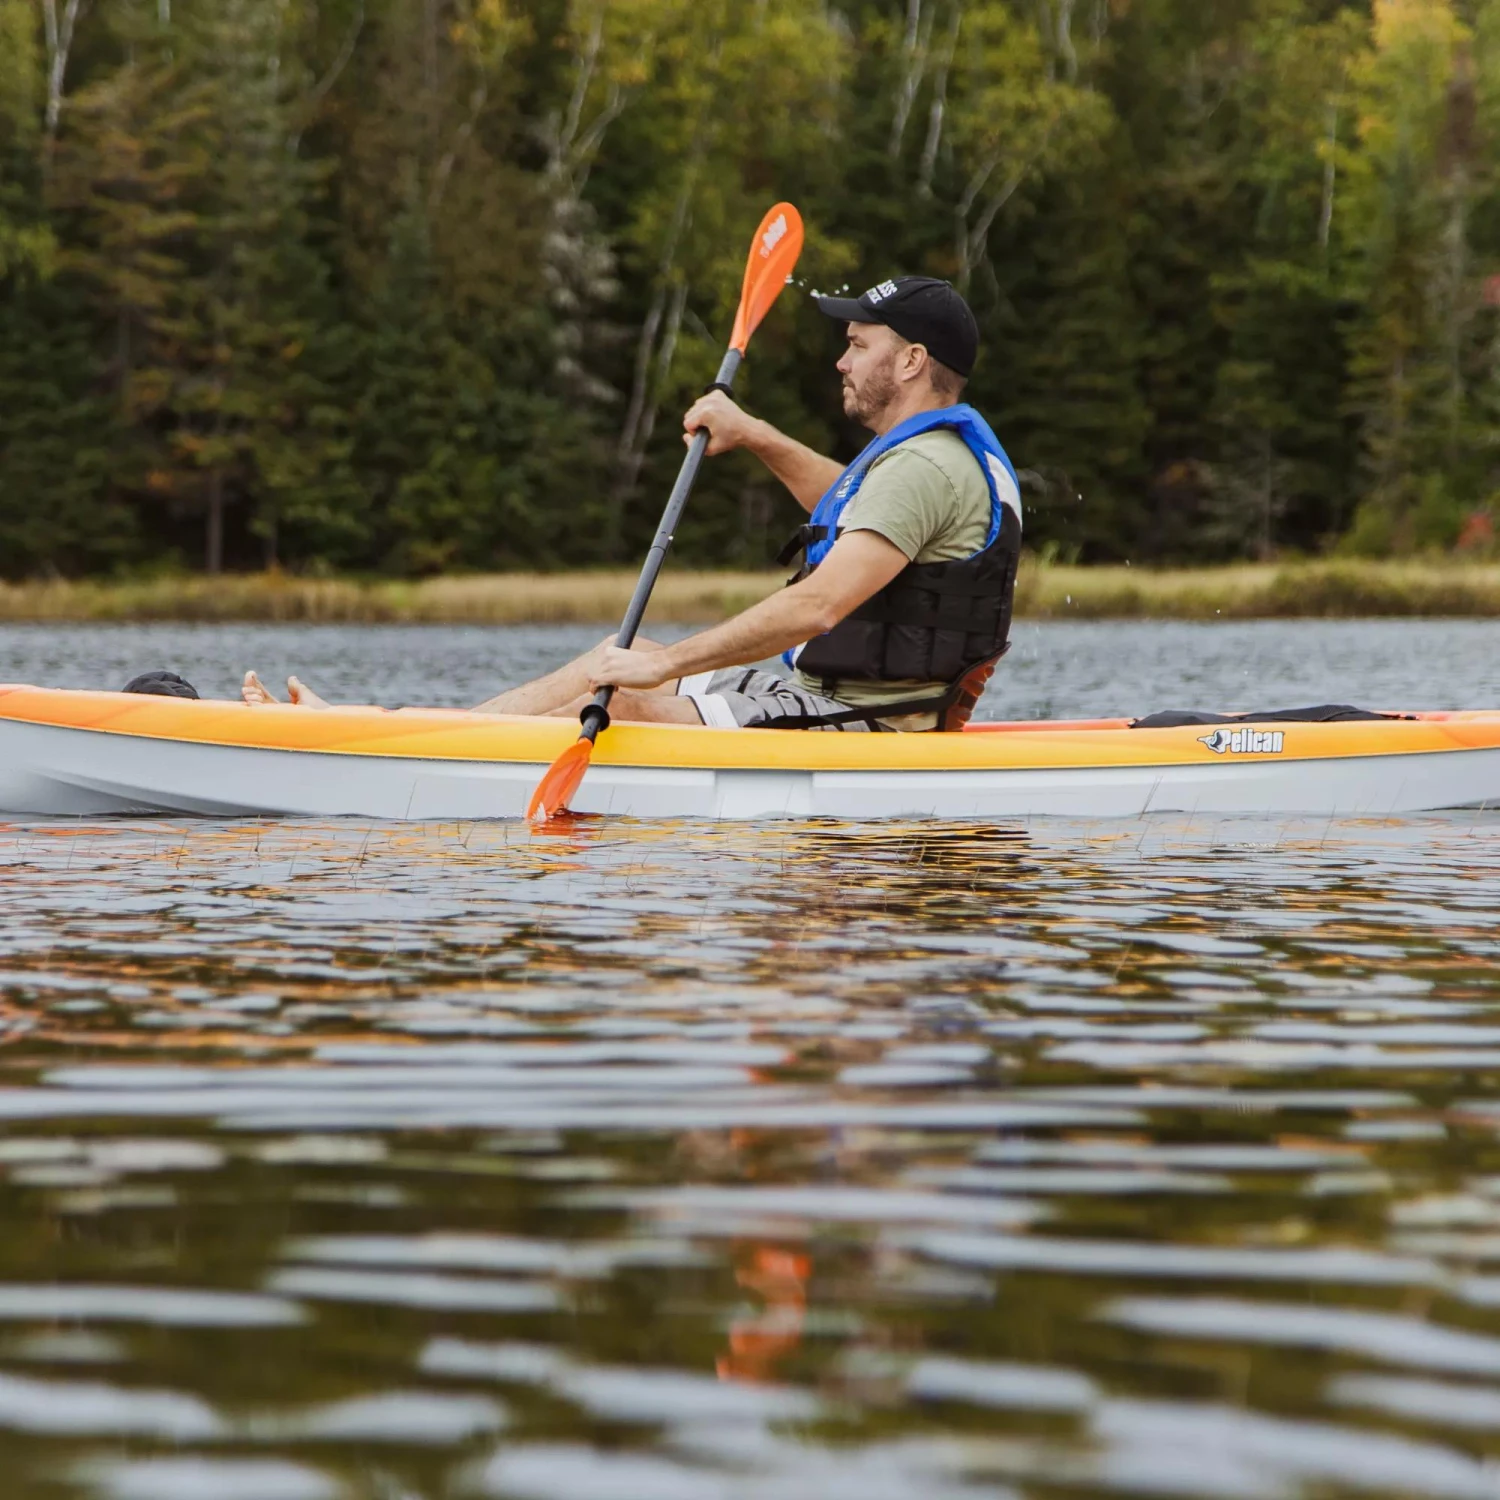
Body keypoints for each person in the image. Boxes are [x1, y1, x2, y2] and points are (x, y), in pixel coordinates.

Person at [243, 276, 1022, 732]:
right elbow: (851, 503)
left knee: (632, 687)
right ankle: (401, 732)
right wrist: (752, 434)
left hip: (865, 723)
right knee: (614, 658)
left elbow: (818, 607)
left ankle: (401, 746)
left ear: (913, 360)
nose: (840, 358)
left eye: (859, 343)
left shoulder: (926, 466)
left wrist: (670, 668)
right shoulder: (920, 463)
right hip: (823, 696)